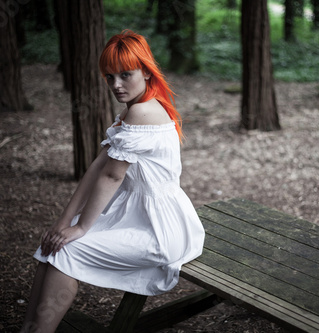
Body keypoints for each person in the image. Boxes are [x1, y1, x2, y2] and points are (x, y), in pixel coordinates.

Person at [20, 30, 205, 333]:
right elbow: (99, 166)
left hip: (159, 229)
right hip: (138, 215)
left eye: (125, 75)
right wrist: (63, 221)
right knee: (52, 247)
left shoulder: (143, 113)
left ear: (146, 70)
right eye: (109, 77)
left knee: (66, 250)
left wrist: (80, 227)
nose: (116, 85)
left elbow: (112, 175)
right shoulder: (134, 107)